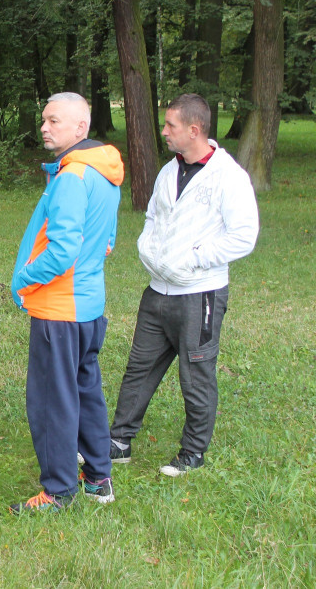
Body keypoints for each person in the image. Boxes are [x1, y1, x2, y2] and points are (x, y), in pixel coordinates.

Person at [109, 94, 259, 476]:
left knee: (196, 375)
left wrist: (194, 256)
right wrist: (148, 247)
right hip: (158, 291)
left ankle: (192, 453)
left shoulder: (229, 177)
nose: (164, 132)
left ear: (195, 130)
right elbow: (152, 217)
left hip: (200, 295)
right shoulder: (167, 172)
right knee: (139, 368)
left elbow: (244, 236)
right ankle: (119, 441)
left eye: (170, 126)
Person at [9, 92, 124, 513]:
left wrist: (23, 280)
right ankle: (98, 479)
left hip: (60, 310)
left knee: (51, 403)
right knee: (86, 393)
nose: (44, 127)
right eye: (43, 119)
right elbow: (108, 242)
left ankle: (58, 492)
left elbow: (61, 252)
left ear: (80, 127)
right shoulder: (105, 171)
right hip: (88, 307)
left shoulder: (74, 176)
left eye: (53, 120)